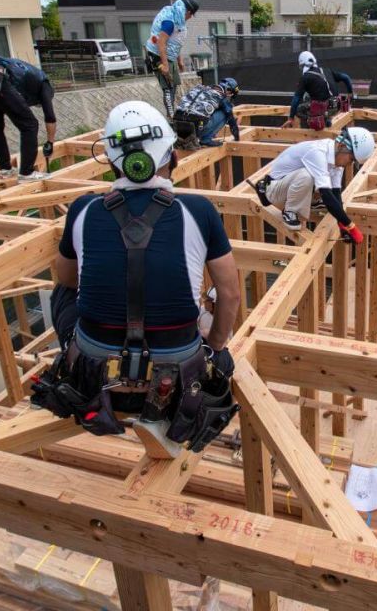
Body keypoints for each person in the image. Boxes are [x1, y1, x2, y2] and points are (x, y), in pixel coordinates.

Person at [32, 100, 241, 456]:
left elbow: (66, 278)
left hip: (94, 372)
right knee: (209, 315)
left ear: (112, 162)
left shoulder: (83, 209)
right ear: (172, 156)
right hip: (176, 373)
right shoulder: (199, 210)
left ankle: (74, 366)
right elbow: (231, 294)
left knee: (64, 293)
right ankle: (169, 400)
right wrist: (216, 346)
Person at [250, 127, 374, 236]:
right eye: (351, 159)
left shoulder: (336, 158)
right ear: (342, 146)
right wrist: (351, 226)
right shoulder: (317, 152)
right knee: (308, 175)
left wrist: (343, 226)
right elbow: (326, 195)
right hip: (274, 191)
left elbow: (335, 194)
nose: (349, 164)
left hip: (290, 188)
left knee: (323, 181)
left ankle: (311, 201)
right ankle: (290, 212)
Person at [0, 56, 57, 181]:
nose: (37, 105)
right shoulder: (44, 84)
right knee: (30, 125)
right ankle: (26, 172)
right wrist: (50, 143)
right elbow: (50, 116)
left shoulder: (26, 81)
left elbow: (7, 102)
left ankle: (5, 169)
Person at [145, 0, 199, 117]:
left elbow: (174, 42)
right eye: (191, 15)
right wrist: (164, 65)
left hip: (169, 55)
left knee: (174, 85)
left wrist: (179, 61)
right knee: (168, 88)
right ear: (188, 12)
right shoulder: (170, 21)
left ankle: (173, 114)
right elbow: (161, 42)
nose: (190, 18)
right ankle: (171, 118)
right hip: (158, 55)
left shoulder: (178, 18)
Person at [172, 78, 241, 149]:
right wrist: (237, 138)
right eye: (230, 94)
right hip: (194, 129)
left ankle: (185, 139)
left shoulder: (199, 88)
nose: (228, 97)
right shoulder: (220, 97)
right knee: (225, 114)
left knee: (207, 112)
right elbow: (231, 121)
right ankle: (206, 140)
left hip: (177, 128)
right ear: (228, 90)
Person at [288, 51, 336, 130]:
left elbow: (296, 99)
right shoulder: (323, 72)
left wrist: (291, 117)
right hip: (332, 104)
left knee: (298, 110)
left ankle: (316, 120)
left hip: (323, 104)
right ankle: (324, 118)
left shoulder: (307, 77)